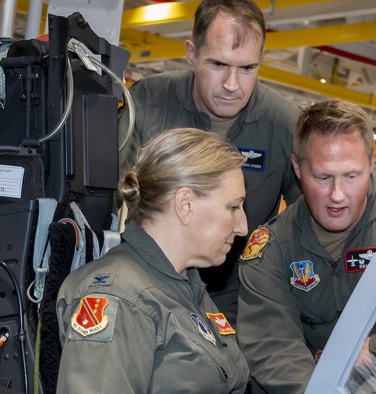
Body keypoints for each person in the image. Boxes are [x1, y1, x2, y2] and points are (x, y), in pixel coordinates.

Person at [237, 100, 376, 393]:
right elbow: (273, 348)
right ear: (297, 168)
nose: (337, 195)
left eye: (351, 176)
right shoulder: (271, 248)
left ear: (372, 163)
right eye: (323, 177)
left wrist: (363, 355)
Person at [118, 0, 301, 325]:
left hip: (237, 304)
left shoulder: (284, 126)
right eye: (218, 64)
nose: (233, 85)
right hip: (146, 293)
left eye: (247, 68)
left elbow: (305, 224)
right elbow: (110, 200)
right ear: (191, 54)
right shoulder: (146, 103)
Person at [57, 128, 250, 393]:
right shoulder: (121, 298)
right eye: (233, 207)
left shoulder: (183, 283)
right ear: (185, 205)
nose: (243, 227)